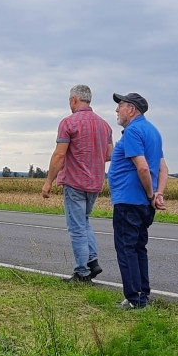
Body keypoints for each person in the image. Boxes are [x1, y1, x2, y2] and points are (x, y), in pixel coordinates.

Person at [41, 85, 114, 282]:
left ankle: (82, 271)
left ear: (74, 100)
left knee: (76, 227)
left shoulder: (68, 123)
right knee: (85, 221)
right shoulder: (105, 125)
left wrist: (48, 182)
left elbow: (59, 155)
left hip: (74, 181)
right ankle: (92, 260)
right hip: (95, 182)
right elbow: (109, 155)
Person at [107, 92, 168, 309]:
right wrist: (157, 194)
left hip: (130, 200)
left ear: (131, 109)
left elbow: (142, 167)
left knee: (127, 248)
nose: (117, 110)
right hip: (143, 203)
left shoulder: (133, 131)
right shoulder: (153, 131)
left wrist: (152, 194)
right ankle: (143, 294)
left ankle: (134, 300)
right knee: (139, 248)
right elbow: (162, 168)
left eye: (120, 105)